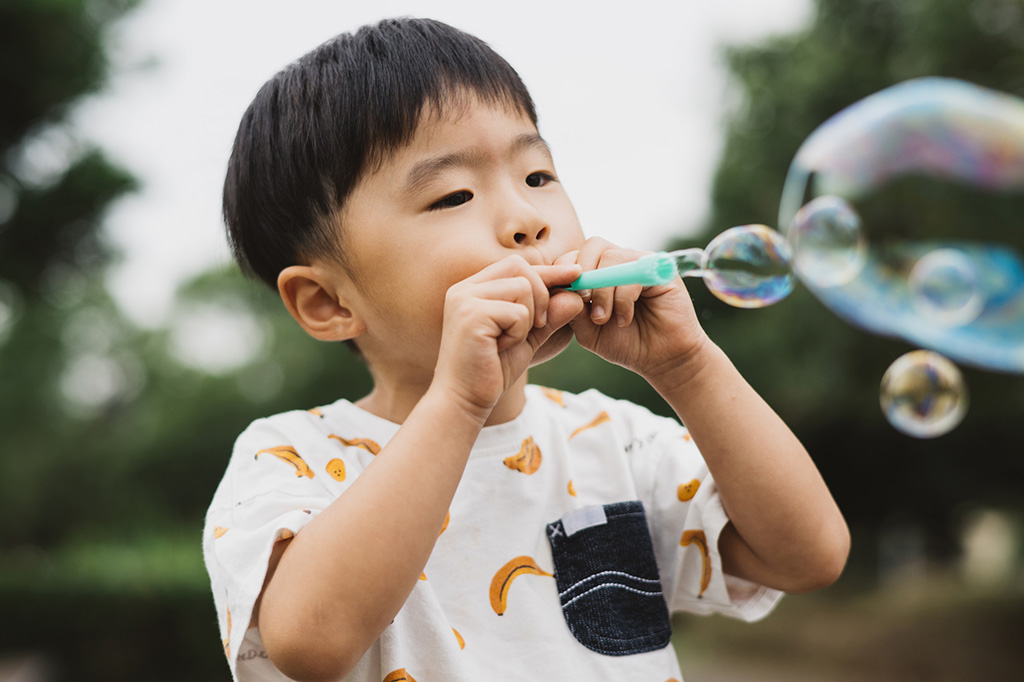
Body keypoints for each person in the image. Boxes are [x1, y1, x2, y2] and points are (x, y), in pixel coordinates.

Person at [203, 17, 850, 682]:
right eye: (452, 195)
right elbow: (312, 641)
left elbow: (808, 556)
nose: (527, 219)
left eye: (537, 175)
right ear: (329, 302)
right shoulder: (290, 458)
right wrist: (458, 402)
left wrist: (686, 366)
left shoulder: (616, 443)